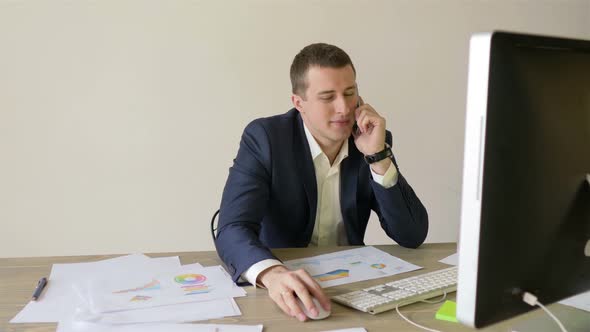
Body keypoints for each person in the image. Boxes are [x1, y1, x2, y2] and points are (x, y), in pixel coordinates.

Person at [214, 43, 428, 322]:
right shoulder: (266, 138)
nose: (344, 108)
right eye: (327, 97)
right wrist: (272, 274)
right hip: (284, 286)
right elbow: (232, 229)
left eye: (350, 94)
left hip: (351, 287)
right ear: (298, 103)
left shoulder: (370, 141)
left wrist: (378, 158)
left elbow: (411, 234)